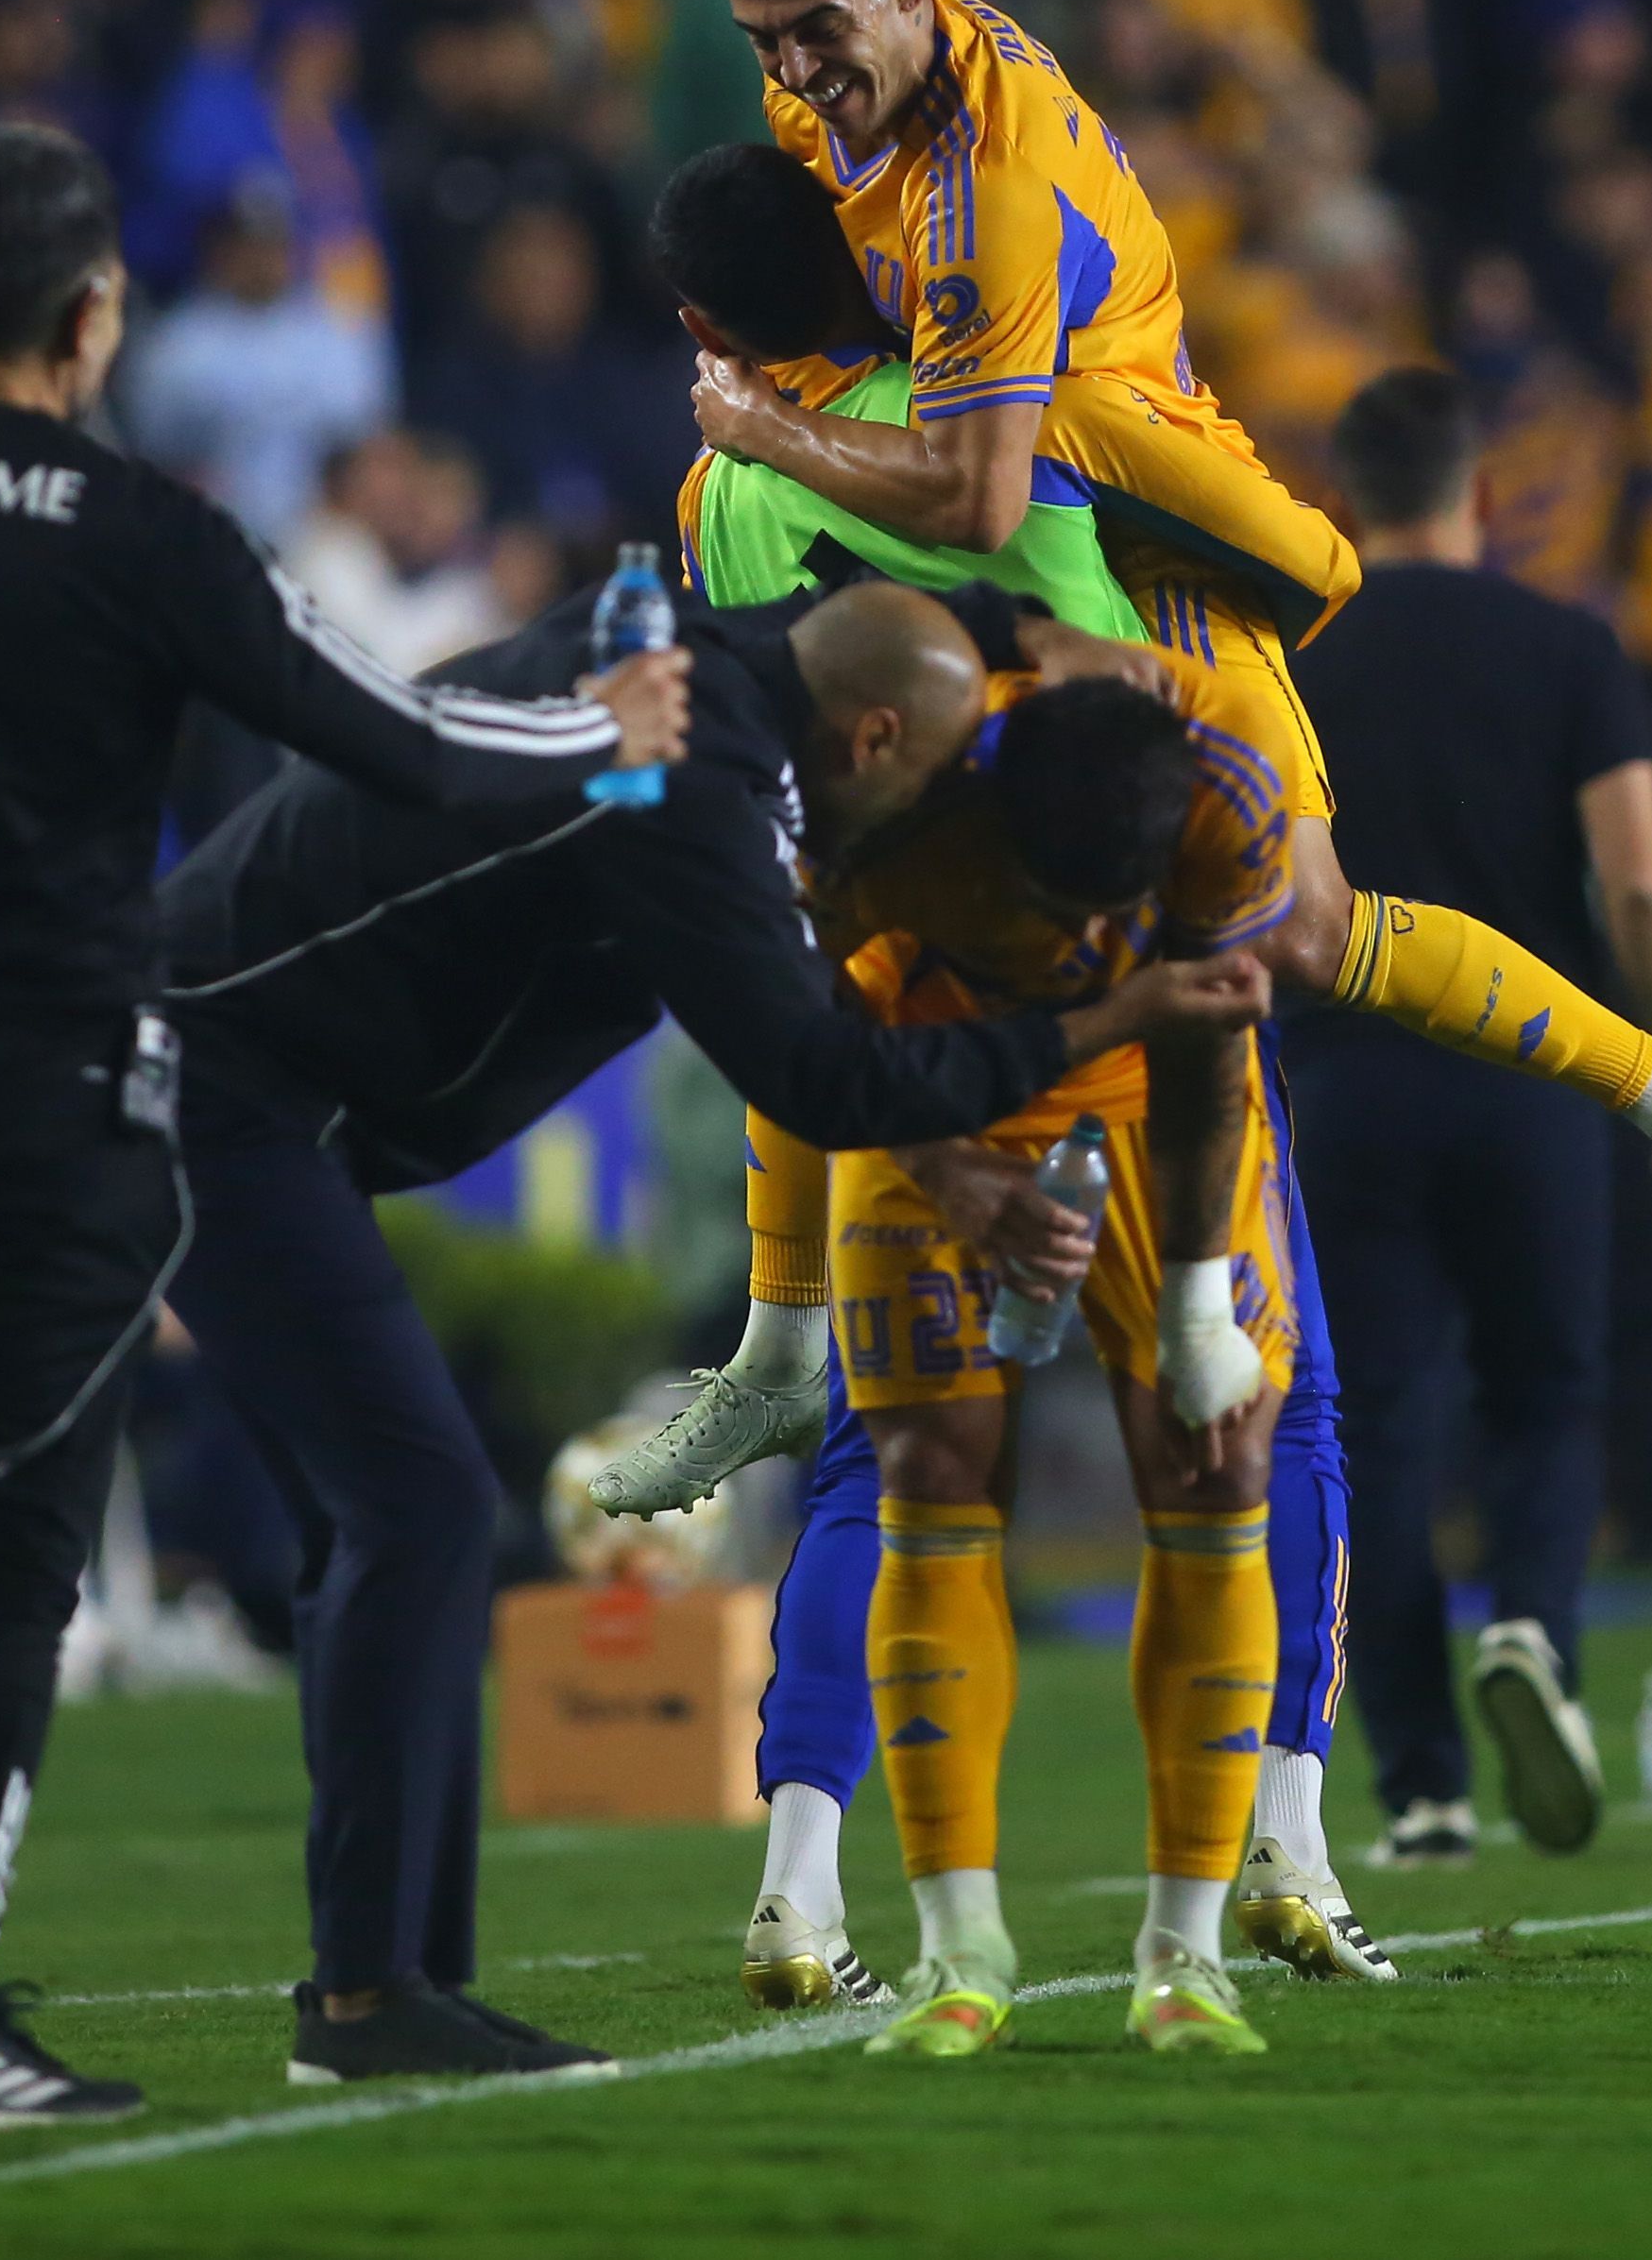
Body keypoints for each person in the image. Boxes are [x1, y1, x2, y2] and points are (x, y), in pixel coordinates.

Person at [0, 124, 690, 2137]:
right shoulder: (136, 529)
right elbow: (403, 743)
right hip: (49, 1096)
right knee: (12, 1544)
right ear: (96, 317)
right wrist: (606, 733)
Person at [153, 578, 1267, 2086]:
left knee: (391, 1516)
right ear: (873, 739)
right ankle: (364, 1997)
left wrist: (1035, 634)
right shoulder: (688, 788)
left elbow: (848, 610)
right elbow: (815, 1073)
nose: (932, 815)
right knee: (411, 1506)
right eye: (937, 770)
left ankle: (389, 1987)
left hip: (263, 1085)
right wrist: (1108, 1019)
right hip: (215, 1081)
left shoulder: (713, 659)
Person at [673, 0, 1652, 1264]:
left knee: (1297, 929)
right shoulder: (835, 95)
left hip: (1139, 534)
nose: (794, 70)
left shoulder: (988, 186)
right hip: (1009, 538)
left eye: (815, 29)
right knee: (839, 878)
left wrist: (767, 432)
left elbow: (976, 496)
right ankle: (841, 1314)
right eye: (766, 41)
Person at [626, 139, 1392, 2007]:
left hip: (885, 988)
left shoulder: (720, 490)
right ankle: (1281, 1846)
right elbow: (1303, 563)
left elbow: (747, 745)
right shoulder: (1010, 409)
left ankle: (799, 1889)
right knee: (1266, 1405)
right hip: (1115, 949)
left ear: (709, 324)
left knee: (884, 1457)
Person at [741, 588, 1322, 2062]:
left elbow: (1208, 1040)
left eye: (1102, 915)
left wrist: (1198, 1302)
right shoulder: (877, 805)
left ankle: (1184, 1955)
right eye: (1047, 905)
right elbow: (795, 1028)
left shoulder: (1225, 786)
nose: (1073, 936)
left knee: (1214, 1460)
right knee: (927, 1465)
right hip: (917, 1085)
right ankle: (959, 1951)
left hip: (1138, 1092)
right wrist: (945, 1165)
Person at [1286, 367, 1652, 1868]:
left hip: (1345, 1075)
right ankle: (1531, 1626)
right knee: (1544, 1390)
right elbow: (1638, 878)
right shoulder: (1567, 644)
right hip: (1532, 1075)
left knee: (1373, 1424)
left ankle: (1422, 1786)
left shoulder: (1293, 651)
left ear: (1343, 498)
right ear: (1477, 491)